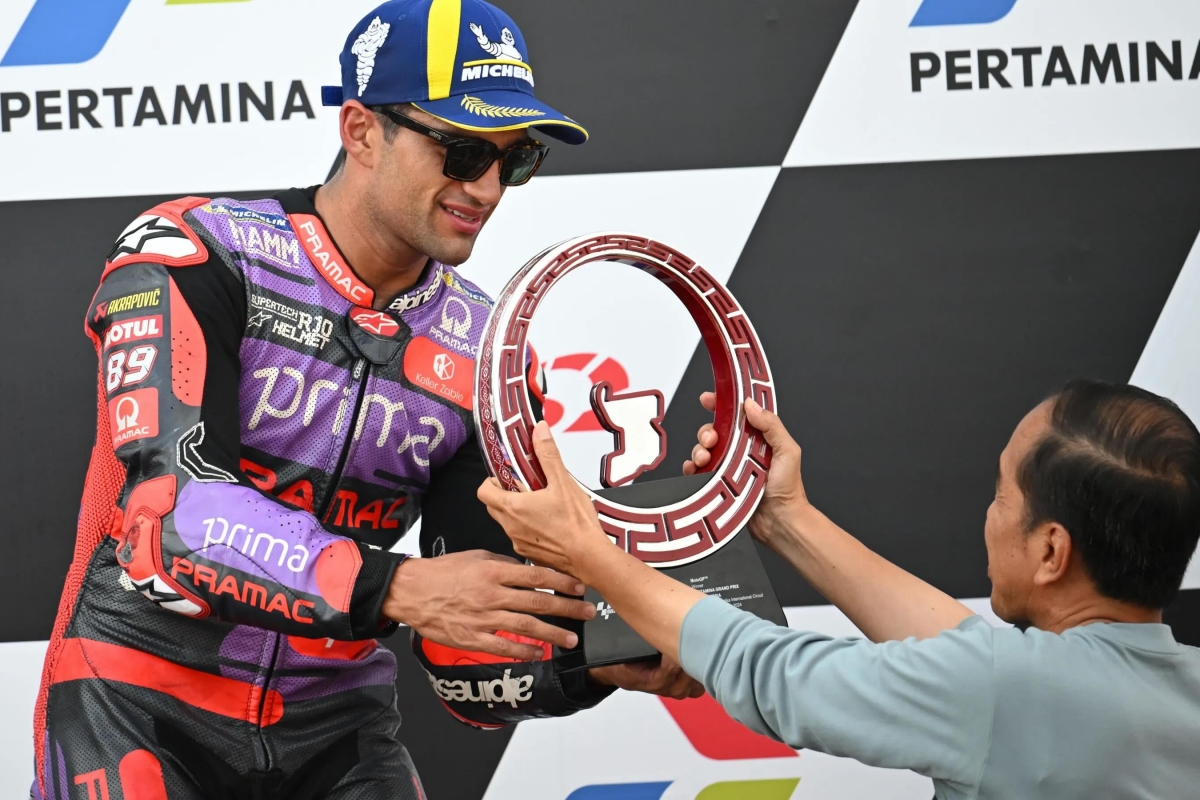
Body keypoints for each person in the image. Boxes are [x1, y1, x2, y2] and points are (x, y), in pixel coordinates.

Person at [32, 2, 699, 798]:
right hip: (138, 701)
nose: (486, 188)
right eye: (461, 151)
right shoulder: (198, 252)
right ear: (360, 131)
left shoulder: (489, 350)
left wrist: (594, 661)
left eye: (514, 160)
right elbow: (171, 523)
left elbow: (466, 658)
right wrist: (396, 587)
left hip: (337, 730)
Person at [481, 379, 1200, 800]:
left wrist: (591, 553)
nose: (988, 515)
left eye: (1001, 494)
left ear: (1050, 551)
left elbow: (768, 673)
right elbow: (967, 656)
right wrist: (785, 518)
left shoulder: (1002, 689)